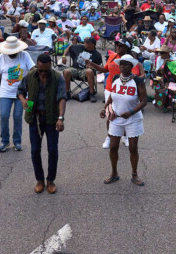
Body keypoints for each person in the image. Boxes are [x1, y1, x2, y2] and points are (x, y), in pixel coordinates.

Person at [17, 54, 67, 194]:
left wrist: (60, 118)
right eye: (40, 70)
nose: (43, 73)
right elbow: (20, 91)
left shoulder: (58, 77)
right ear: (37, 67)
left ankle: (50, 180)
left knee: (52, 150)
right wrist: (23, 100)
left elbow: (62, 98)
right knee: (34, 151)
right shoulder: (30, 76)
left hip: (51, 119)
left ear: (50, 66)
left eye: (45, 70)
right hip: (35, 118)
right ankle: (39, 180)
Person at [100, 54, 147, 186]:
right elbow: (112, 96)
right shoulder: (116, 78)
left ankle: (134, 175)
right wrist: (105, 108)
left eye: (126, 64)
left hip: (133, 119)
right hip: (117, 118)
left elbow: (144, 101)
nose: (122, 67)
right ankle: (114, 173)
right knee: (113, 147)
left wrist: (131, 112)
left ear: (131, 66)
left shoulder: (138, 81)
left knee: (133, 148)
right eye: (121, 64)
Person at [0, 36, 35, 152]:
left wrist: (33, 89)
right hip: (6, 91)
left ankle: (17, 142)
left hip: (21, 92)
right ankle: (5, 141)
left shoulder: (24, 55)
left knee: (17, 117)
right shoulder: (2, 56)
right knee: (4, 116)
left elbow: (33, 70)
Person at [62, 37, 101, 101]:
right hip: (74, 69)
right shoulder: (80, 47)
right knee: (66, 71)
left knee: (89, 71)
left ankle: (91, 93)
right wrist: (63, 56)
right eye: (85, 42)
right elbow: (69, 47)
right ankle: (66, 93)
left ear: (92, 44)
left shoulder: (97, 54)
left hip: (85, 72)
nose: (84, 43)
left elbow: (99, 68)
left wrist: (92, 67)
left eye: (86, 42)